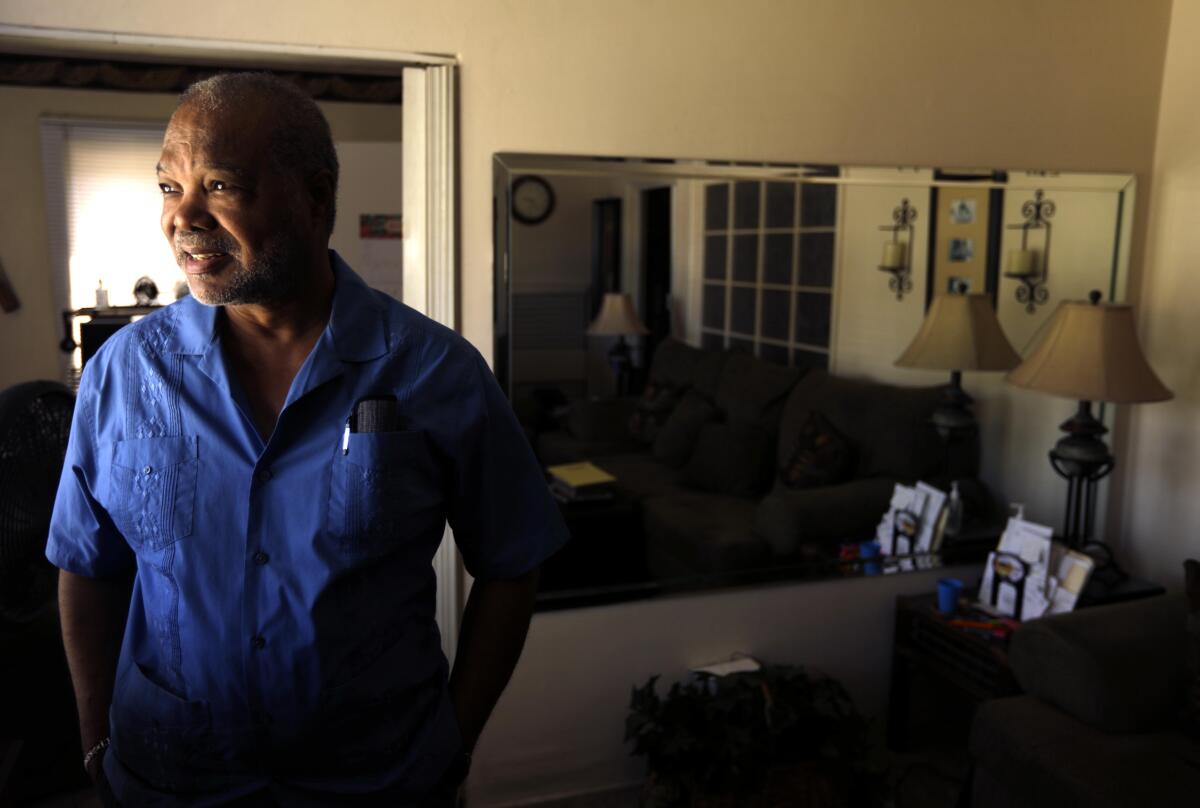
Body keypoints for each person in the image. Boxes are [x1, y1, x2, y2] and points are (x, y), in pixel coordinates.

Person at [46, 72, 569, 806]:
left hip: (377, 784)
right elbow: (85, 564)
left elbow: (513, 561)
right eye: (169, 188)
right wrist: (95, 739)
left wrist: (455, 738)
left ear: (315, 197)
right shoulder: (121, 376)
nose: (182, 219)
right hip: (167, 782)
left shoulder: (435, 371)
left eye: (219, 185)